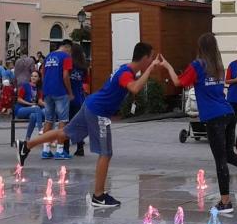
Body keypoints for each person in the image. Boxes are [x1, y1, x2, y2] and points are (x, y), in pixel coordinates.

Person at [17, 42, 161, 208]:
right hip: (98, 111)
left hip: (91, 105)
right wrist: (149, 70)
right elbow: (135, 88)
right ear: (144, 58)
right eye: (151, 57)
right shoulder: (126, 72)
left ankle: (27, 145)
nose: (152, 61)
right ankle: (99, 196)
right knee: (105, 153)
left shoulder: (125, 69)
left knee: (64, 134)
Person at [162, 33, 237, 213]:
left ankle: (225, 202)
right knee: (228, 155)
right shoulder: (218, 67)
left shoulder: (197, 65)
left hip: (214, 117)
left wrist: (166, 65)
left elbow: (178, 82)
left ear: (200, 47)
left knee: (220, 160)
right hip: (228, 113)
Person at [40, 39, 75, 160]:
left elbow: (43, 74)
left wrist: (45, 89)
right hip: (60, 91)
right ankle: (60, 150)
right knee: (63, 120)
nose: (71, 53)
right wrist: (70, 92)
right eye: (71, 50)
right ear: (67, 47)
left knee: (48, 120)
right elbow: (65, 75)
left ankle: (46, 150)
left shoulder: (48, 56)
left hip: (47, 91)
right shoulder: (65, 57)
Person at [69, 43, 90, 157]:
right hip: (80, 96)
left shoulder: (69, 65)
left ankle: (65, 148)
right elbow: (85, 83)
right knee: (78, 122)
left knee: (67, 122)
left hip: (69, 95)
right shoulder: (83, 67)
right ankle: (80, 147)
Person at [16, 70, 44, 140]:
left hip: (31, 110)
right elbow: (19, 99)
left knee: (33, 116)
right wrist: (30, 104)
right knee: (37, 108)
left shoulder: (39, 89)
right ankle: (40, 129)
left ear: (39, 78)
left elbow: (40, 101)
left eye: (35, 76)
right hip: (21, 110)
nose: (33, 78)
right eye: (32, 76)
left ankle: (27, 138)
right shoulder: (25, 86)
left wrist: (49, 106)